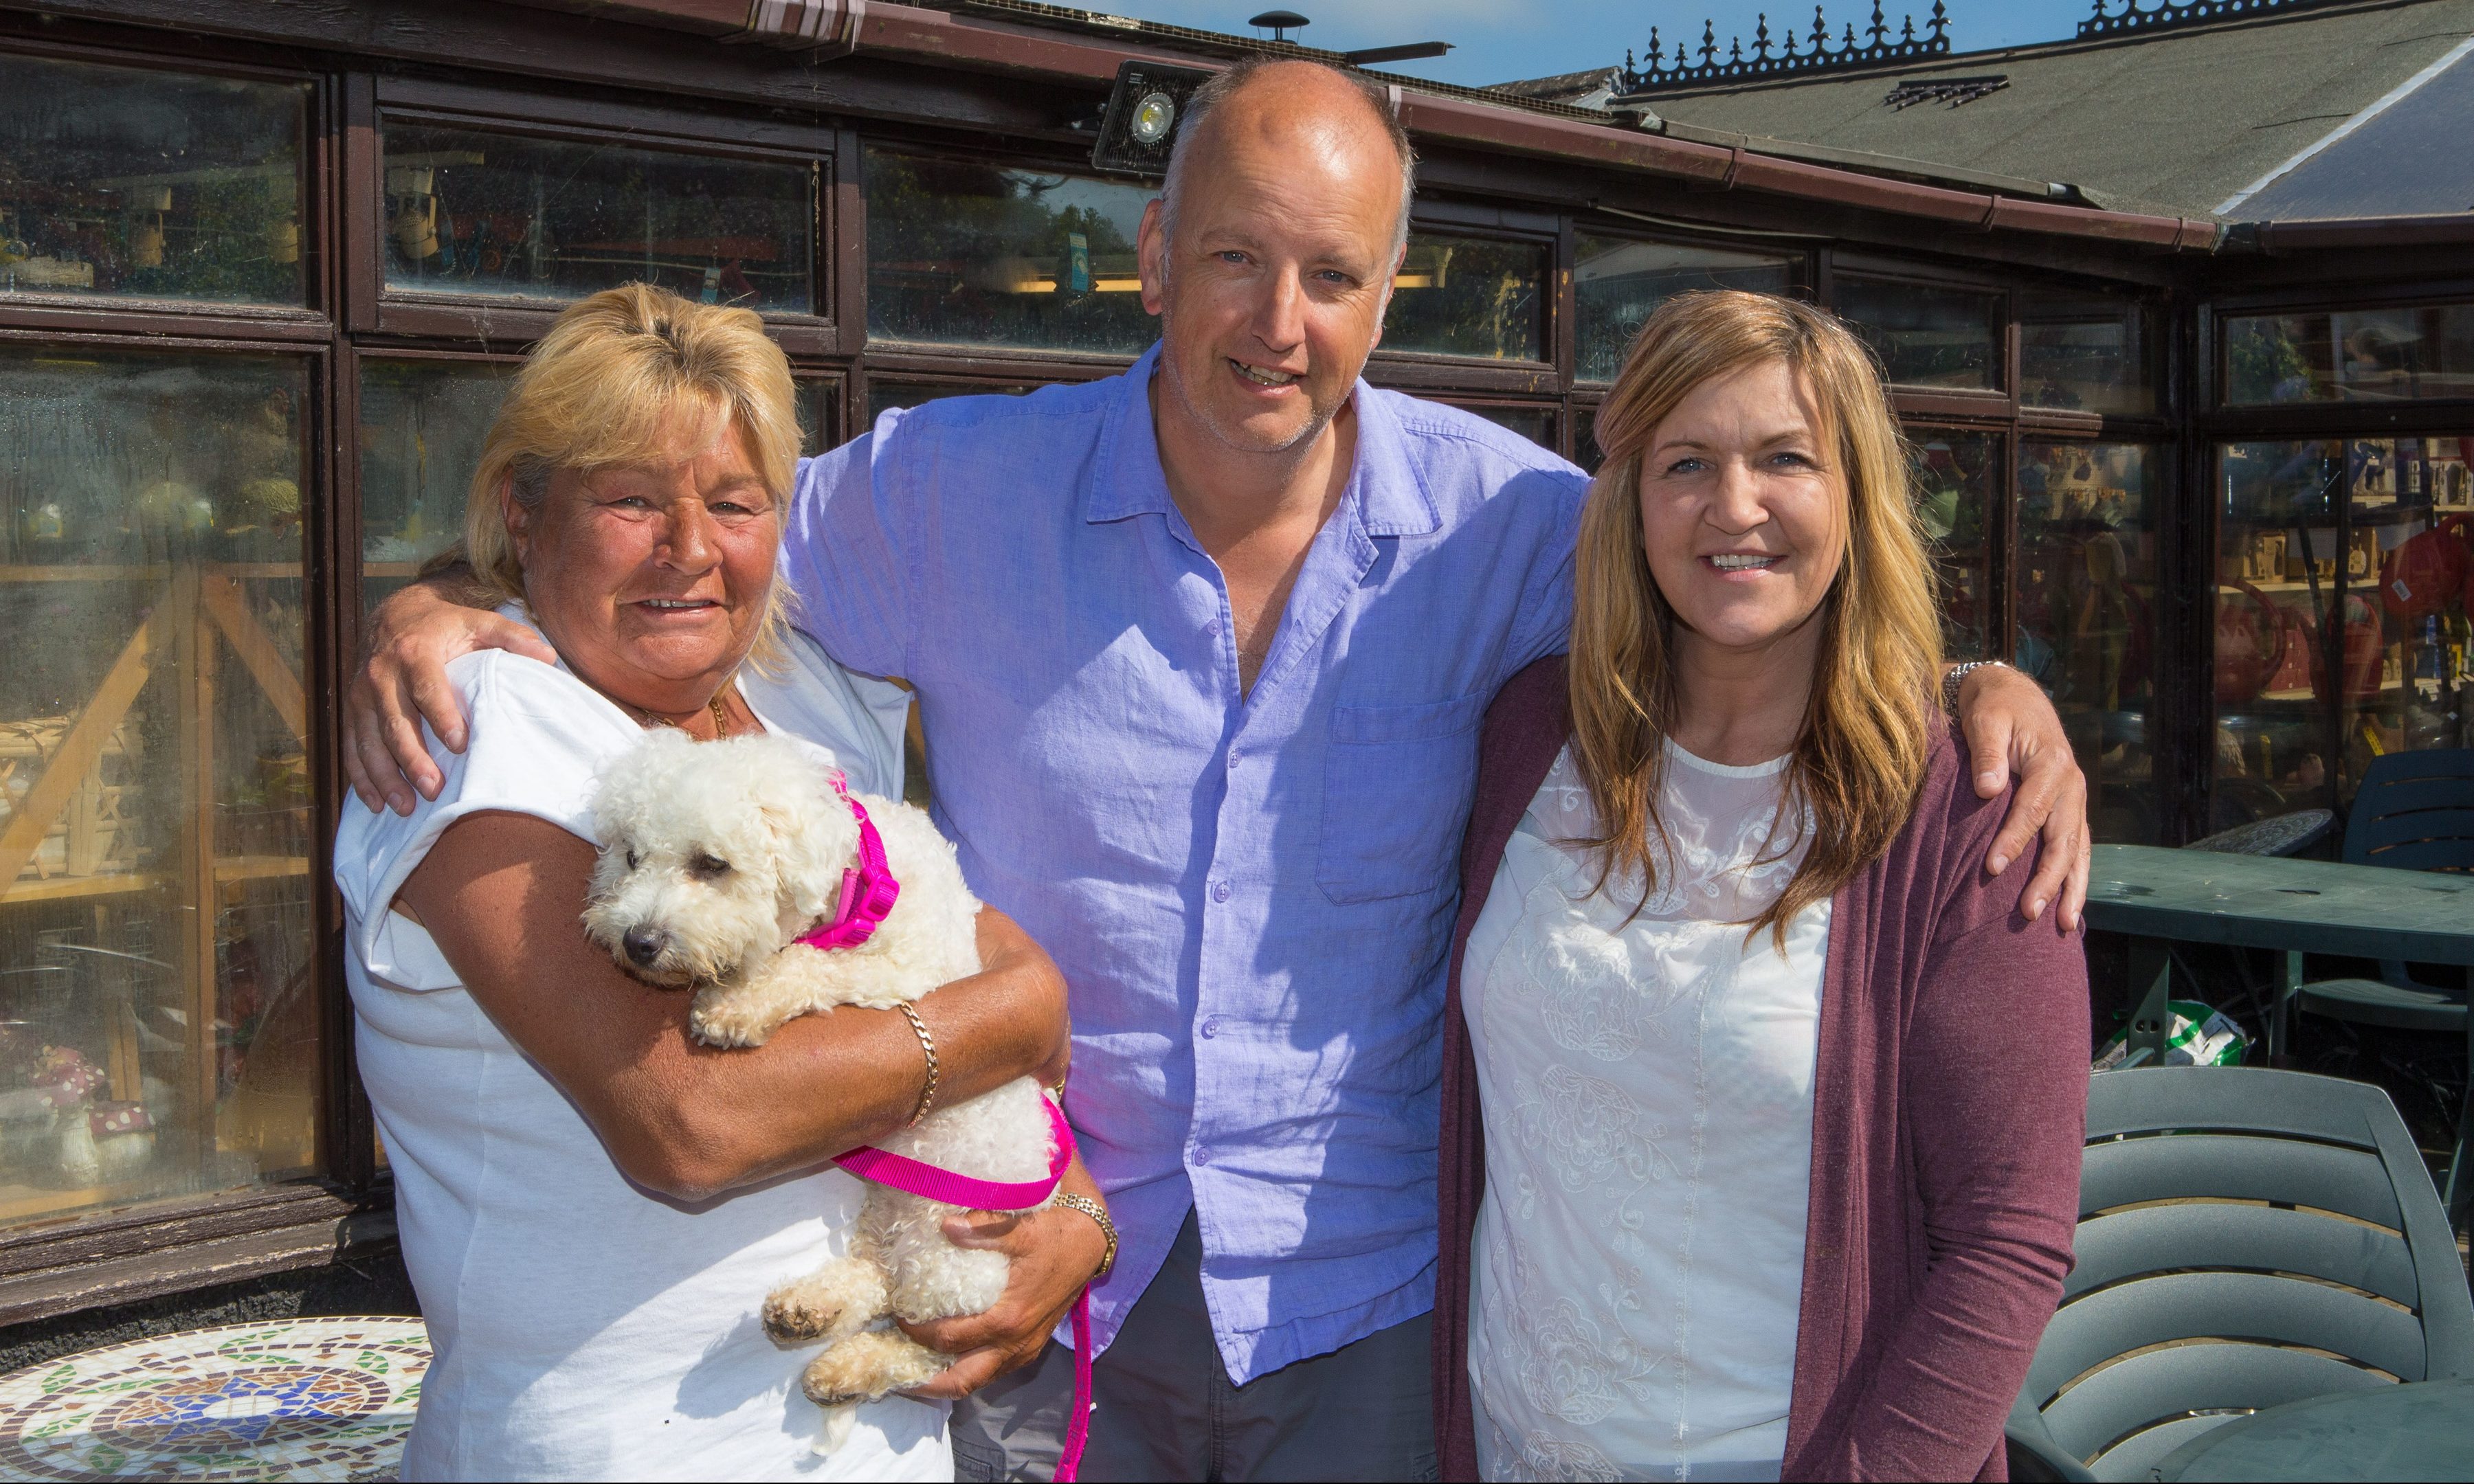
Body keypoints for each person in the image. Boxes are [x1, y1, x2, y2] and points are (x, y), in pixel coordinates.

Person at [344, 61, 2092, 1481]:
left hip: (1374, 1315)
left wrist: (1975, 687)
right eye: (1240, 258)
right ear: (1156, 250)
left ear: (1388, 293)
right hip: (1045, 1284)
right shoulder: (949, 494)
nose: (1281, 321)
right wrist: (446, 589)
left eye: (1334, 275)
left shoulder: (1505, 527)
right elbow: (678, 538)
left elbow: (1738, 567)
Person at [333, 284, 1107, 1481]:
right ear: (522, 516)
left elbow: (957, 938)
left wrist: (1077, 1217)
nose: (691, 549)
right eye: (633, 500)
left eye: (734, 504)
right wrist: (1021, 1014)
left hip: (876, 1444)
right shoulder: (486, 733)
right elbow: (693, 1123)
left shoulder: (805, 700)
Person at [1435, 292, 2088, 1481]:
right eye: (1687, 462)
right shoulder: (1531, 732)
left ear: (1856, 496)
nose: (1734, 507)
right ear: (1631, 499)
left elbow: (2010, 1243)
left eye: (1786, 458)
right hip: (1509, 1443)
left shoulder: (1966, 810)